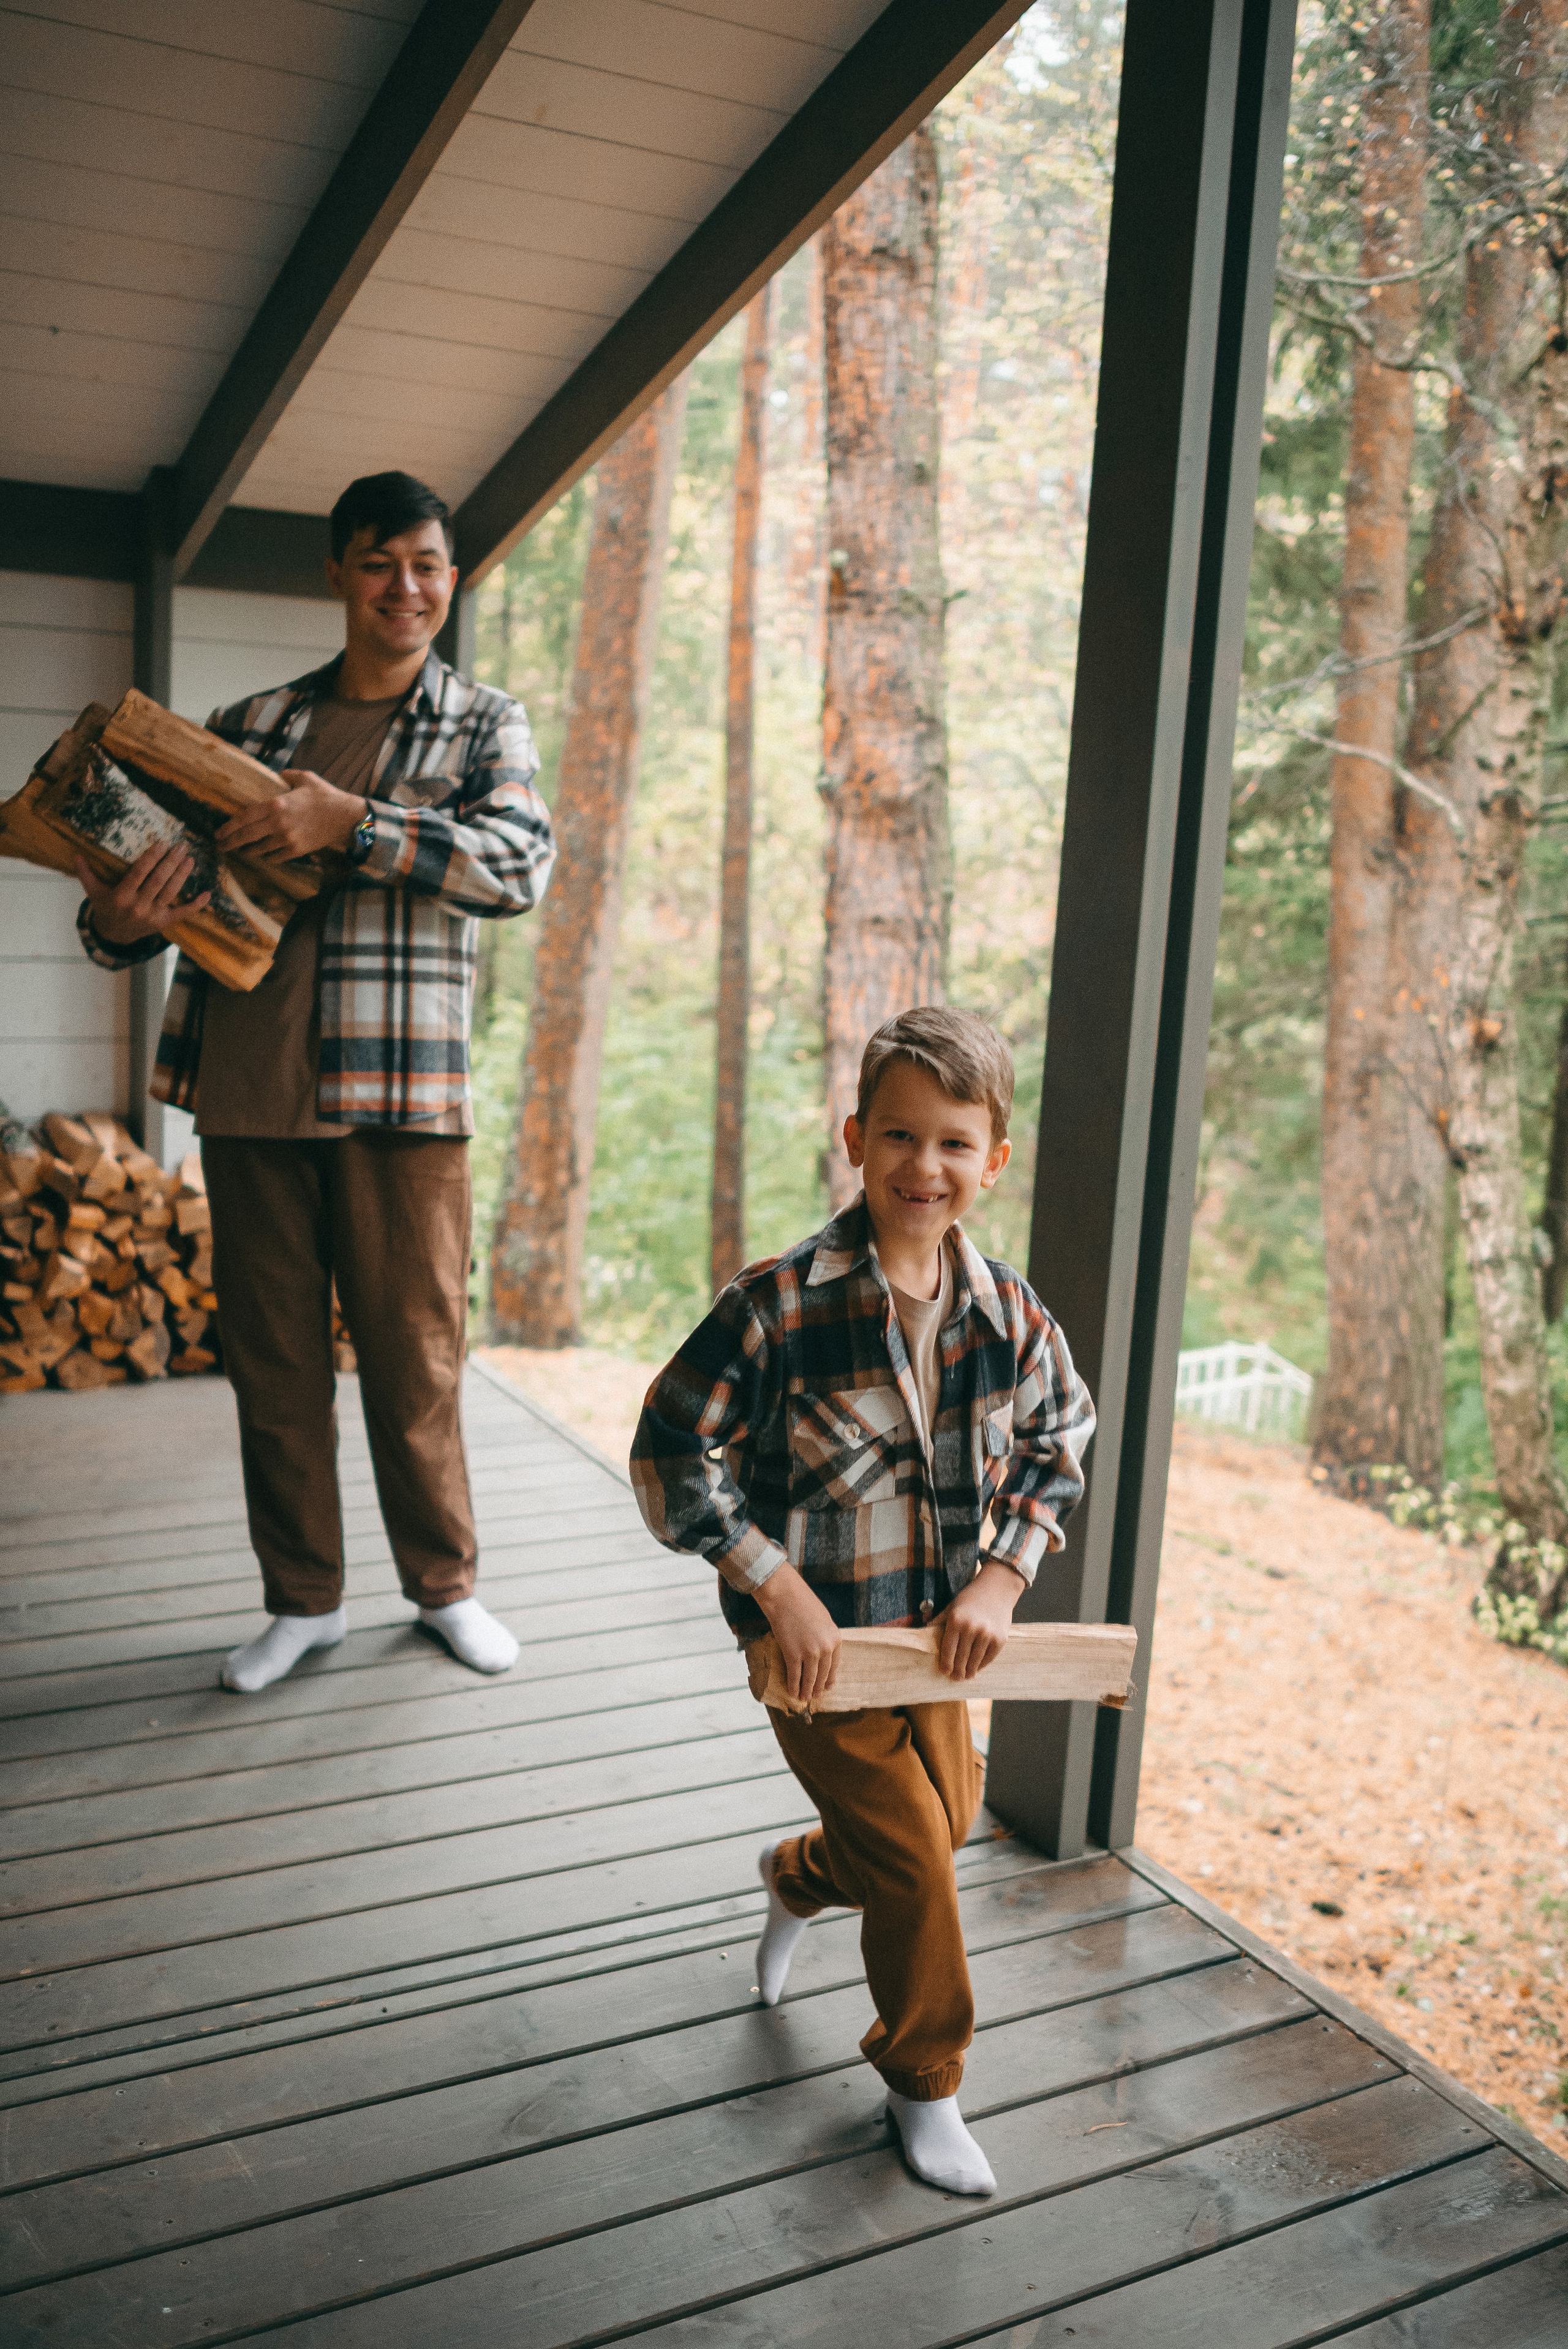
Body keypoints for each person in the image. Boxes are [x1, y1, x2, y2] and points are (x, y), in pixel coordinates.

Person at [75, 471, 555, 1695]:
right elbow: (158, 886)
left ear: (450, 578)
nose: (409, 587)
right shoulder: (251, 724)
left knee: (416, 1362)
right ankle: (303, 1601)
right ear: (337, 572)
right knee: (273, 1366)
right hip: (247, 1090)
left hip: (402, 1098)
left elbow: (517, 867)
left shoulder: (480, 723)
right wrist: (117, 920)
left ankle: (443, 1586)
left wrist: (352, 822)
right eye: (382, 562)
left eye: (430, 566)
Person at [630, 1006, 1095, 2197]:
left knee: (939, 1828)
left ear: (993, 1160)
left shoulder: (1009, 1317)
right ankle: (922, 2080)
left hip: (932, 1647)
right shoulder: (777, 1306)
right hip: (819, 1662)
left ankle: (794, 1875)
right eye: (897, 1135)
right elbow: (672, 1451)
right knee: (920, 1871)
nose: (921, 1166)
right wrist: (770, 1584)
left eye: (952, 1143)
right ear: (853, 1137)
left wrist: (1002, 1572)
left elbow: (1061, 1438)